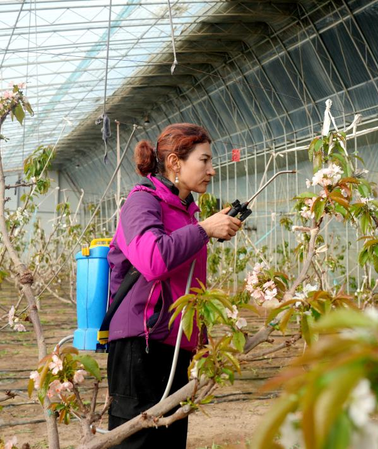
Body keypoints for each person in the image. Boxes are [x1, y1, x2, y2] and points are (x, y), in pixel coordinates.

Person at [105, 123, 241, 448]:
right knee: (137, 441)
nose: (212, 169)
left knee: (170, 440)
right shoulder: (142, 202)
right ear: (175, 164)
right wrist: (205, 229)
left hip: (176, 345)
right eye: (204, 160)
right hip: (140, 344)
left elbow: (190, 285)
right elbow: (152, 259)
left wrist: (201, 341)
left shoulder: (185, 212)